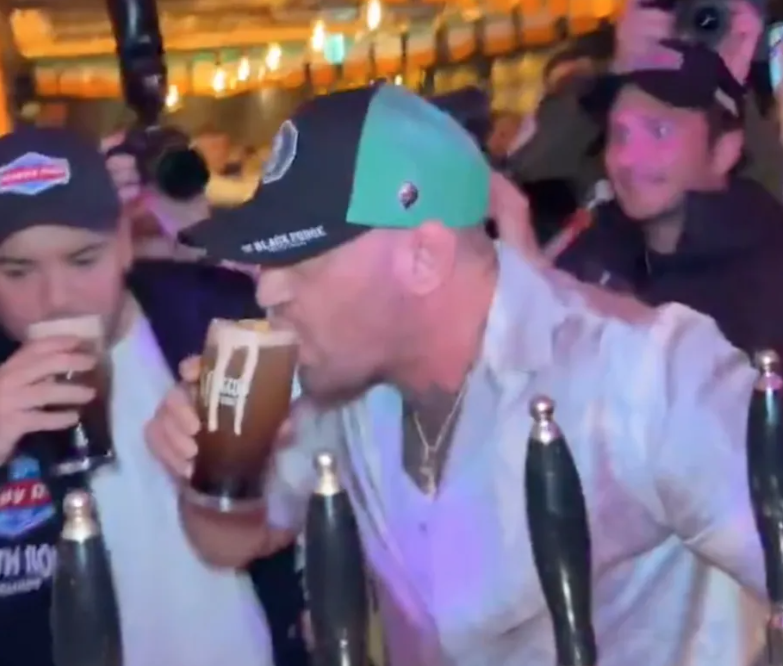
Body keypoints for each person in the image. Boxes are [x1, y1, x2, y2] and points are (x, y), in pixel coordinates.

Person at [147, 84, 766, 666]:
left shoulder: (641, 373)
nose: (270, 290)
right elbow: (233, 542)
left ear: (423, 258)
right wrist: (210, 471)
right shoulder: (337, 384)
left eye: (298, 260)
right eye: (264, 262)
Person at [0, 127, 309, 666]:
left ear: (125, 241)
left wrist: (248, 470)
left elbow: (312, 492)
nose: (56, 298)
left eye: (83, 260)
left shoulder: (220, 318)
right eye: (17, 270)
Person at [555, 40, 783, 355]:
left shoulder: (766, 284)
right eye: (619, 133)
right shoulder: (592, 252)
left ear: (723, 151)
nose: (626, 158)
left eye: (659, 131)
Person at [505, 0, 783, 210]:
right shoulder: (595, 68)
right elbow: (526, 186)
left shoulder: (758, 80)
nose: (704, 22)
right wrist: (619, 78)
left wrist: (725, 99)